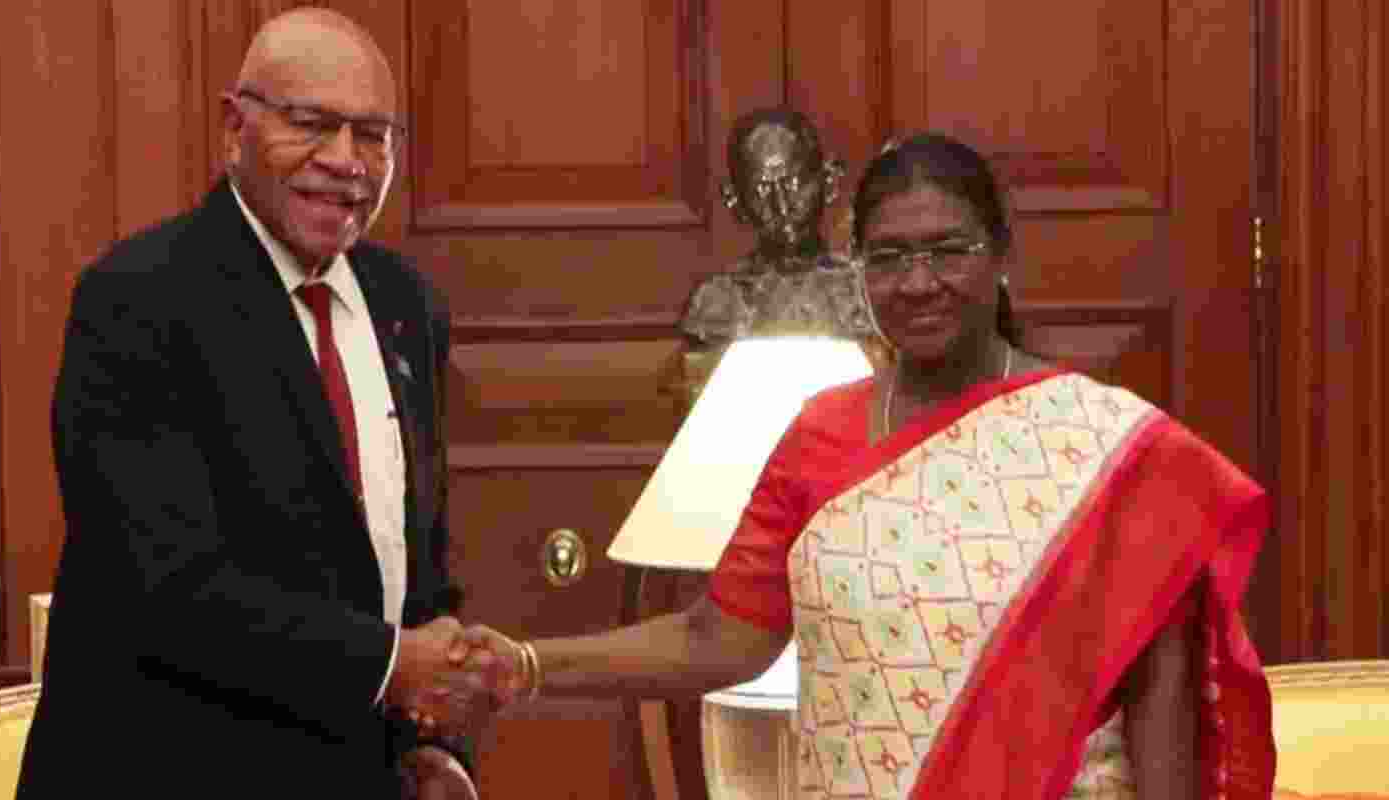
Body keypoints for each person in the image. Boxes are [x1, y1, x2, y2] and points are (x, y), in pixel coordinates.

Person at [451, 132, 1277, 799]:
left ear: (998, 256)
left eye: (946, 250)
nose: (918, 283)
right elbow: (719, 638)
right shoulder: (821, 432)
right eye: (886, 257)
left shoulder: (1107, 449)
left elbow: (1158, 690)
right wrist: (529, 662)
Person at [17, 9, 486, 799]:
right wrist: (391, 666)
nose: (347, 161)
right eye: (311, 125)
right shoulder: (138, 299)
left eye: (373, 135)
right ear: (234, 128)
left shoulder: (408, 304)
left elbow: (409, 564)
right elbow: (167, 590)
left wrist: (428, 745)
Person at [682, 108, 876, 345]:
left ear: (829, 180)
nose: (782, 207)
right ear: (734, 200)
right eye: (762, 190)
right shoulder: (715, 302)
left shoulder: (867, 292)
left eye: (794, 183)